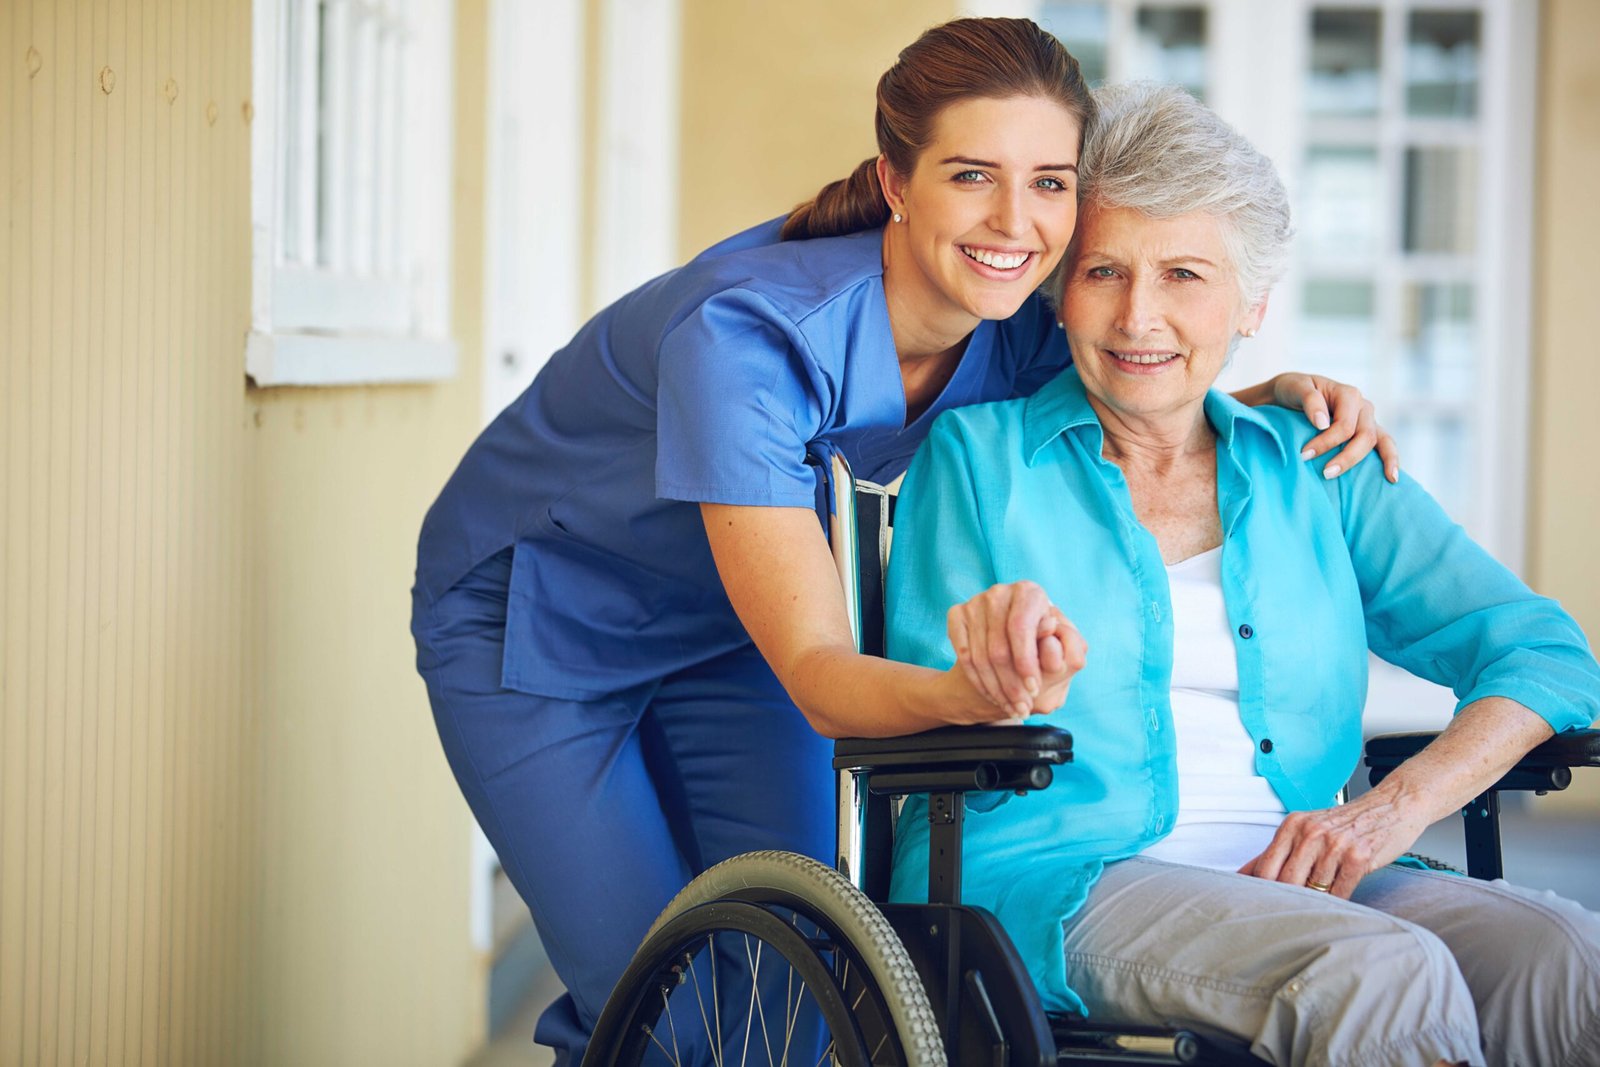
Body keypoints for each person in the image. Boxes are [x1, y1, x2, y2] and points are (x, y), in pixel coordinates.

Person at [411, 20, 1394, 1063]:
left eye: (1050, 182)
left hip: (735, 623)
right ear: (894, 179)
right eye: (973, 175)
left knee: (803, 959)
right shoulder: (748, 337)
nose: (1015, 221)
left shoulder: (1013, 318)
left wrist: (1271, 396)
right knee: (661, 999)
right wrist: (970, 695)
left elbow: (1143, 372)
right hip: (541, 624)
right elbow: (827, 680)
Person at [884, 81, 1600, 1067]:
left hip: (1294, 870)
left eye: (1184, 274)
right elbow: (941, 675)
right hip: (1056, 873)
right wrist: (998, 668)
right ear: (1059, 288)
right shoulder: (978, 456)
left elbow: (1545, 654)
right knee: (1380, 972)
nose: (1139, 316)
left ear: (1251, 302)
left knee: (1564, 955)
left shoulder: (1318, 465)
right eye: (1104, 271)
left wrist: (1397, 805)